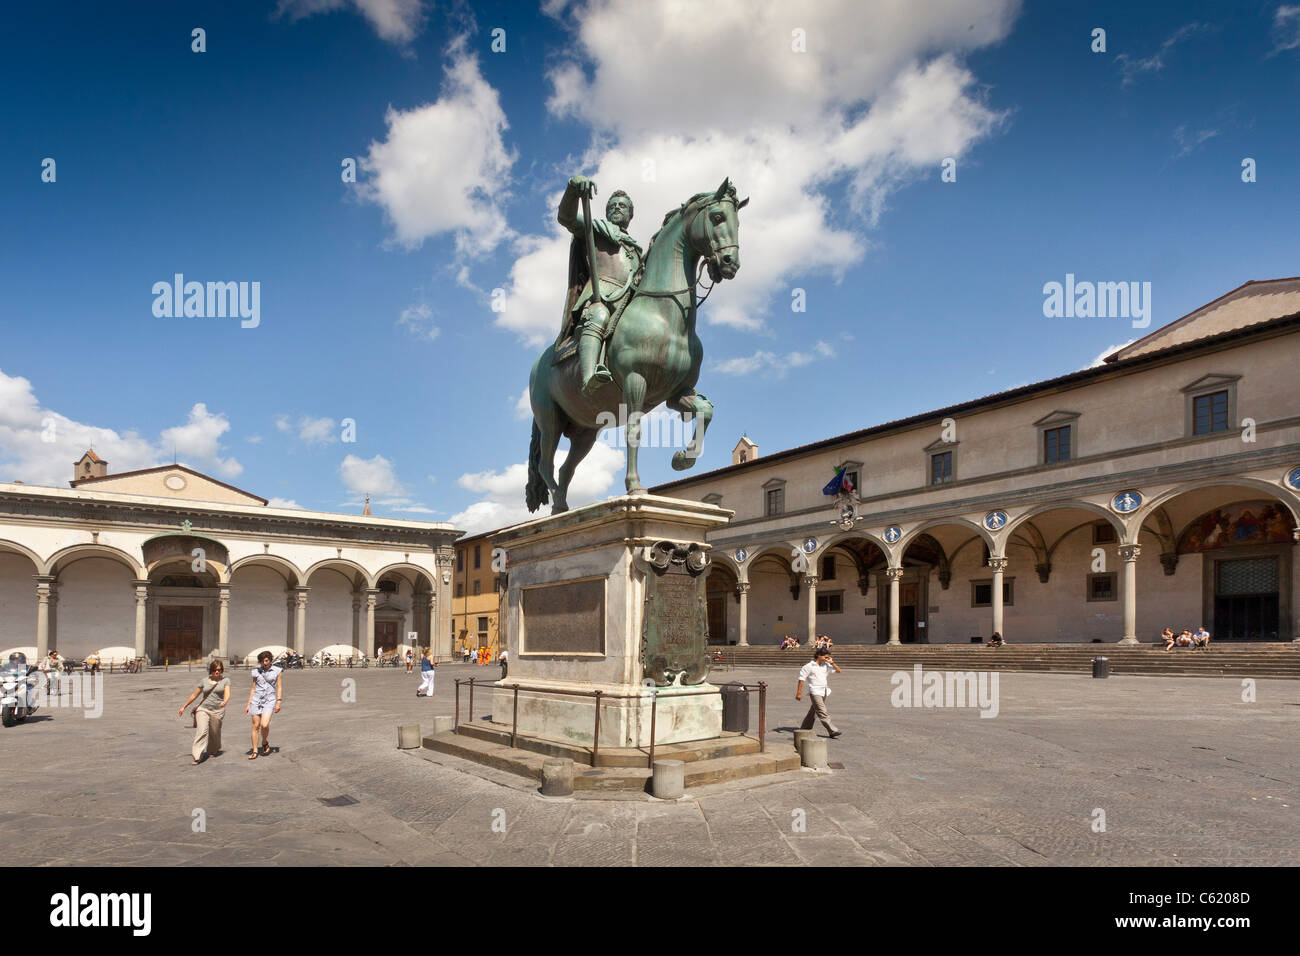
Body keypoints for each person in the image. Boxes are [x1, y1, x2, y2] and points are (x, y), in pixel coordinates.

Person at [556, 175, 643, 396]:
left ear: (630, 214)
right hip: (602, 295)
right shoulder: (594, 229)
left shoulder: (635, 249)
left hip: (629, 299)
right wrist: (573, 188)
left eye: (622, 206)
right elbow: (565, 217)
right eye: (612, 206)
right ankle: (588, 379)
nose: (617, 208)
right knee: (598, 316)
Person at [179, 660, 231, 765]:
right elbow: (194, 695)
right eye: (215, 670)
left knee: (215, 732)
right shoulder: (204, 681)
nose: (217, 672)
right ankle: (197, 755)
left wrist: (225, 701)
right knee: (202, 731)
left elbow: (227, 693)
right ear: (211, 670)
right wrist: (183, 707)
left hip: (217, 710)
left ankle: (213, 749)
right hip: (203, 709)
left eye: (220, 670)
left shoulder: (225, 680)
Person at [796, 647, 842, 739]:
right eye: (825, 657)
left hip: (824, 691)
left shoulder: (826, 665)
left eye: (828, 657)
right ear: (818, 655)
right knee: (822, 711)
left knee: (813, 711)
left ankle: (805, 728)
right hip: (815, 691)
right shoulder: (809, 666)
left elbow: (838, 670)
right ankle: (832, 730)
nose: (826, 659)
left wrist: (832, 662)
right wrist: (799, 692)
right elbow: (801, 679)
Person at [244, 651, 282, 759]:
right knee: (256, 726)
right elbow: (253, 688)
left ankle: (264, 742)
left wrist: (278, 701)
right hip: (256, 700)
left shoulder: (277, 671)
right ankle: (255, 751)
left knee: (264, 725)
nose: (264, 663)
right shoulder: (256, 672)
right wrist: (248, 704)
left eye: (266, 661)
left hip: (270, 700)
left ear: (270, 660)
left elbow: (279, 687)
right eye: (262, 661)